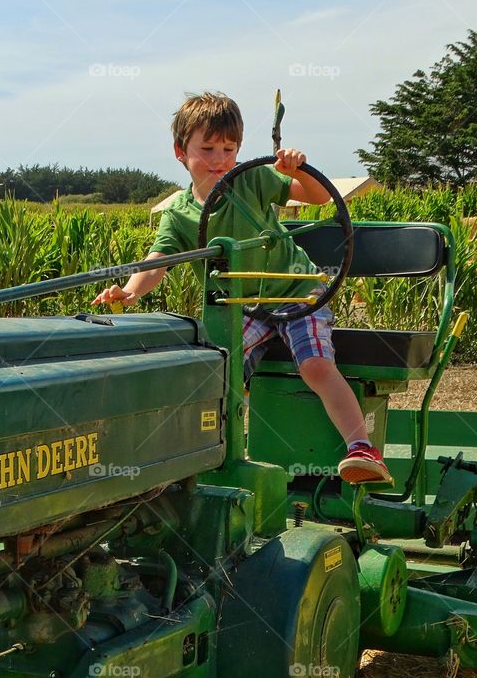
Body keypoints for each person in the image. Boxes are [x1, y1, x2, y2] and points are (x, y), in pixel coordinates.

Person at [91, 92, 392, 485]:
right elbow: (157, 261)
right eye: (208, 148)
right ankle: (209, 455)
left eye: (229, 148)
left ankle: (362, 448)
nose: (219, 158)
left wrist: (297, 170)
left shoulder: (252, 178)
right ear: (180, 151)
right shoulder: (180, 214)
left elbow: (317, 197)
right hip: (244, 307)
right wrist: (130, 291)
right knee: (215, 371)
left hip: (297, 294)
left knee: (315, 364)